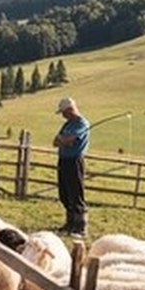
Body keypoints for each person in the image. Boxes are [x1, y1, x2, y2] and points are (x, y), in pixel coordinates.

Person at [52, 96, 89, 237]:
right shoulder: (67, 125)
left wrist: (64, 140)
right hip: (64, 160)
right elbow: (55, 141)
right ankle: (70, 223)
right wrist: (63, 140)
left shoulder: (81, 123)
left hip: (74, 160)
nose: (62, 115)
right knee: (64, 193)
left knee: (75, 193)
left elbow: (69, 139)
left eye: (63, 112)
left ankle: (80, 226)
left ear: (70, 110)